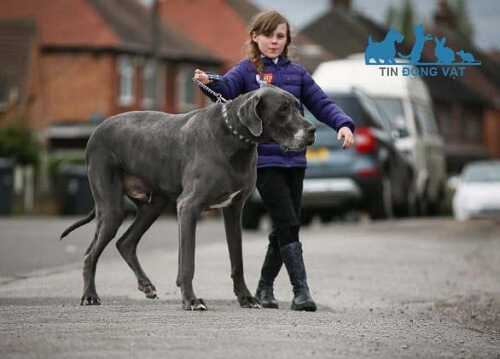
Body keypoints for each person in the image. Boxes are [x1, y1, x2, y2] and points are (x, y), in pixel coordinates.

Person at [194, 10, 355, 311]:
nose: (274, 41)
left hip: (296, 162)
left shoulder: (298, 74)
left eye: (280, 36)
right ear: (255, 37)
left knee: (285, 226)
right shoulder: (245, 71)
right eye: (268, 35)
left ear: (287, 40)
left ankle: (264, 287)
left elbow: (321, 103)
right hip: (264, 162)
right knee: (288, 223)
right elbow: (226, 88)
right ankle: (301, 292)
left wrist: (343, 124)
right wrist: (210, 80)